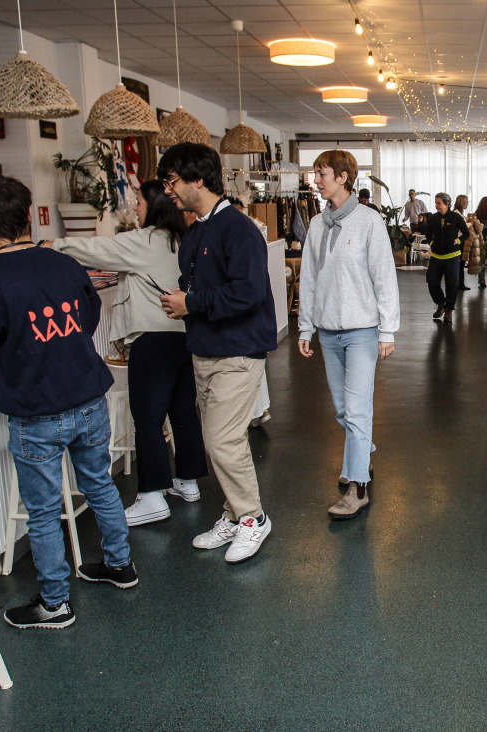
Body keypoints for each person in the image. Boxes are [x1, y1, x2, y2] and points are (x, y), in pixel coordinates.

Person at [0, 175, 135, 629]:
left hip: (35, 413)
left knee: (45, 509)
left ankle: (55, 603)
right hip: (88, 399)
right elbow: (87, 322)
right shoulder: (65, 266)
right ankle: (119, 565)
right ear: (29, 215)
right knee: (99, 484)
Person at [46, 179, 208, 527]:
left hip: (152, 341)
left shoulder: (145, 240)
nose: (135, 208)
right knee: (182, 413)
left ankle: (152, 497)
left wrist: (50, 244)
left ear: (154, 205)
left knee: (148, 419)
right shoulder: (185, 238)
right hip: (186, 338)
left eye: (138, 201)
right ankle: (188, 482)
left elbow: (95, 249)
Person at [158, 142, 280, 564]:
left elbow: (248, 293)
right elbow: (199, 286)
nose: (168, 190)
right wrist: (183, 301)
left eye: (172, 180)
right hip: (204, 351)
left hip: (238, 352)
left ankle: (252, 518)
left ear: (198, 179)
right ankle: (232, 513)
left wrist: (192, 303)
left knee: (223, 440)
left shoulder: (240, 229)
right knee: (219, 443)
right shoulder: (195, 231)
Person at [297, 151, 401, 520]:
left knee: (357, 409)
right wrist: (305, 326)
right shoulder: (316, 225)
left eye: (321, 173)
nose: (316, 179)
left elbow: (384, 277)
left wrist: (387, 329)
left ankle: (358, 488)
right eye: (315, 174)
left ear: (343, 177)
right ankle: (361, 452)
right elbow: (308, 278)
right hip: (328, 332)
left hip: (361, 331)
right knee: (344, 410)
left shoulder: (368, 221)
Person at [420, 192, 470, 322]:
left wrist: (458, 241)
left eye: (439, 203)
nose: (437, 206)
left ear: (447, 204)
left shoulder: (455, 217)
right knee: (431, 281)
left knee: (451, 284)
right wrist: (431, 243)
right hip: (436, 256)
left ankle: (449, 309)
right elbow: (428, 234)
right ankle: (441, 303)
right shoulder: (433, 218)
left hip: (452, 256)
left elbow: (466, 233)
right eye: (436, 203)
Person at [453, 195, 473, 291]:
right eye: (466, 202)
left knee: (461, 262)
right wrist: (470, 223)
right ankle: (459, 284)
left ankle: (460, 283)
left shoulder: (458, 213)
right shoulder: (456, 213)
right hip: (459, 240)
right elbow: (463, 226)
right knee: (460, 263)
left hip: (460, 240)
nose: (467, 204)